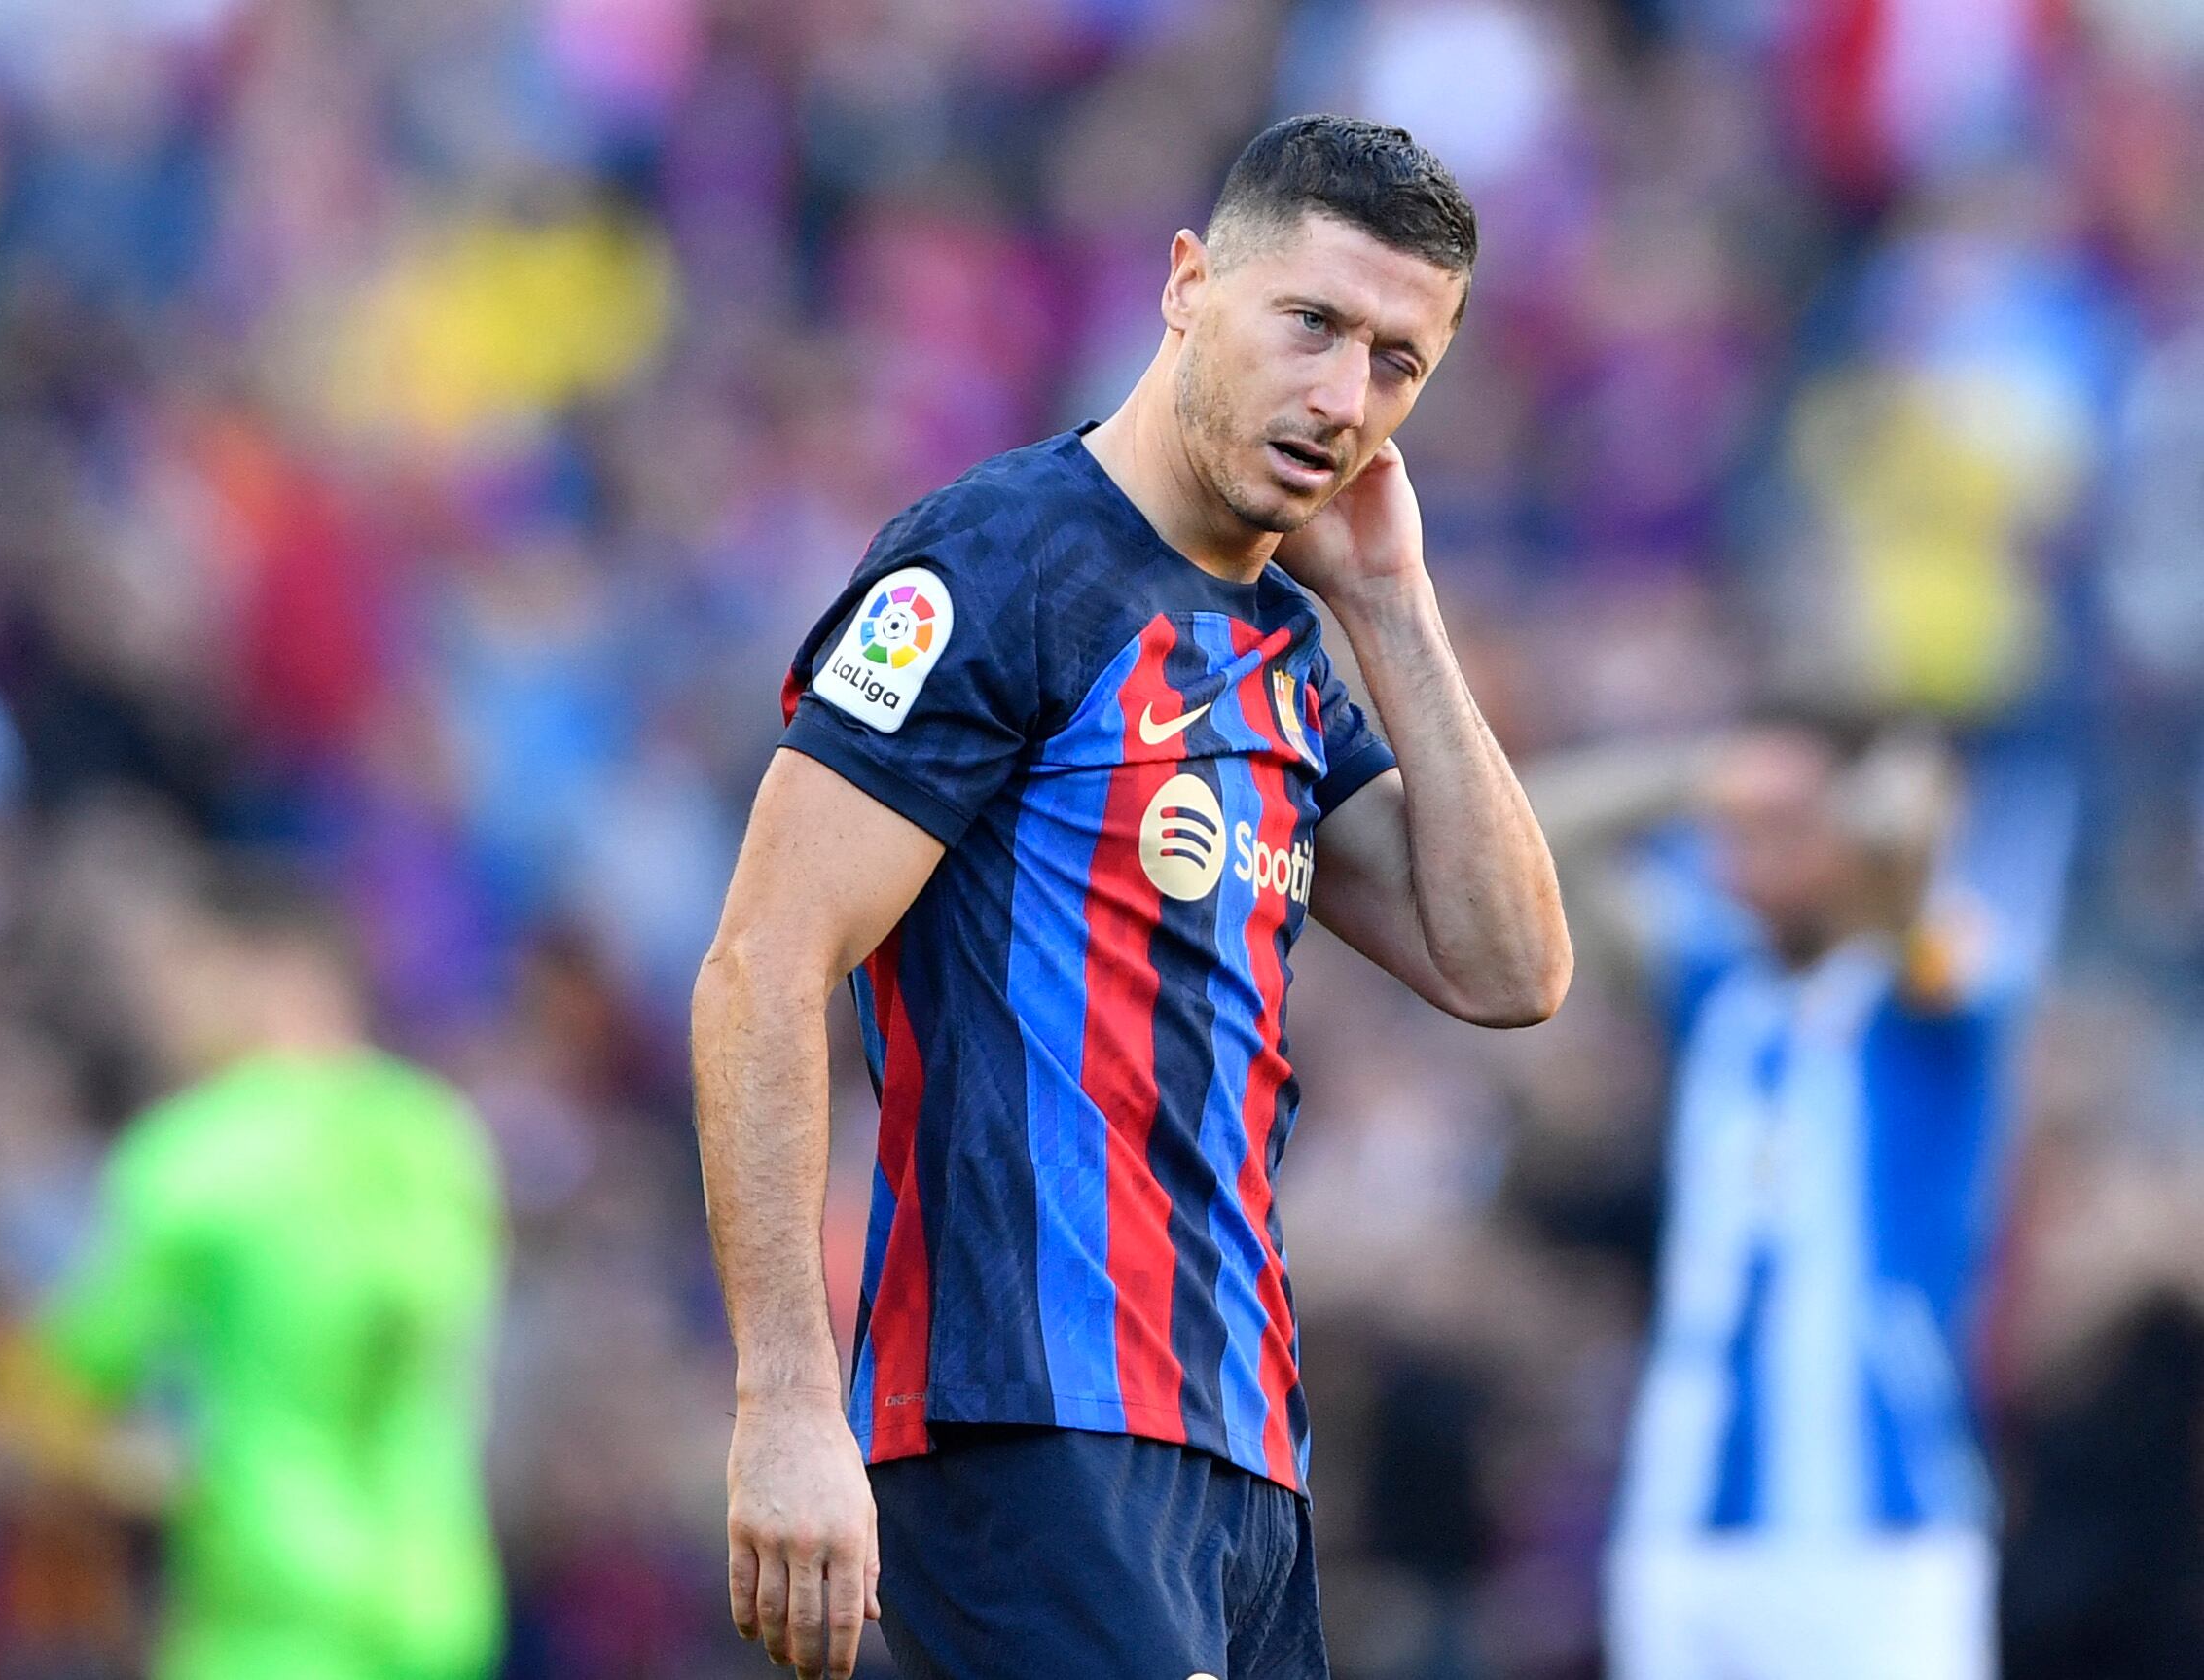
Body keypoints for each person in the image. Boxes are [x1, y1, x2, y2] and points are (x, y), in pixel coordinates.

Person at [692, 115, 1571, 1680]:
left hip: (1239, 1445)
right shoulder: (997, 563)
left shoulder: (1287, 648)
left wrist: (1391, 601)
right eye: (1310, 323)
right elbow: (763, 961)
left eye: (1394, 362)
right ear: (1184, 283)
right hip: (1025, 1422)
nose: (1341, 398)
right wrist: (780, 1400)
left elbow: (1505, 963)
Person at [1529, 718, 2044, 1680]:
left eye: (1781, 831)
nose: (1740, 858)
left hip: (1879, 1530)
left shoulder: (1924, 994)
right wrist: (1695, 770)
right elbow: (1535, 835)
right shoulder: (1714, 987)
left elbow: (1920, 859)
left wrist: (1867, 806)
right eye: (1739, 833)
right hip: (1683, 1518)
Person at [3, 865, 507, 1680]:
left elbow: (53, 1391)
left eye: (186, 972)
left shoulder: (196, 1157)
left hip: (268, 1627)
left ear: (264, 972)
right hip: (438, 1610)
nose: (165, 1008)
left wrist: (155, 1468)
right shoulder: (439, 1139)